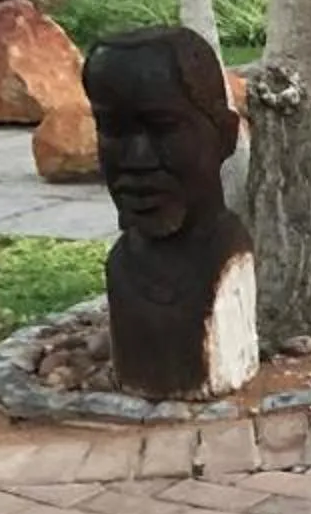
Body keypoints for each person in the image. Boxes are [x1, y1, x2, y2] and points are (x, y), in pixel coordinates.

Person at [84, 25, 257, 399]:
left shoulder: (226, 259)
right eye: (112, 130)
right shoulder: (122, 265)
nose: (136, 159)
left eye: (163, 129)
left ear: (225, 136)